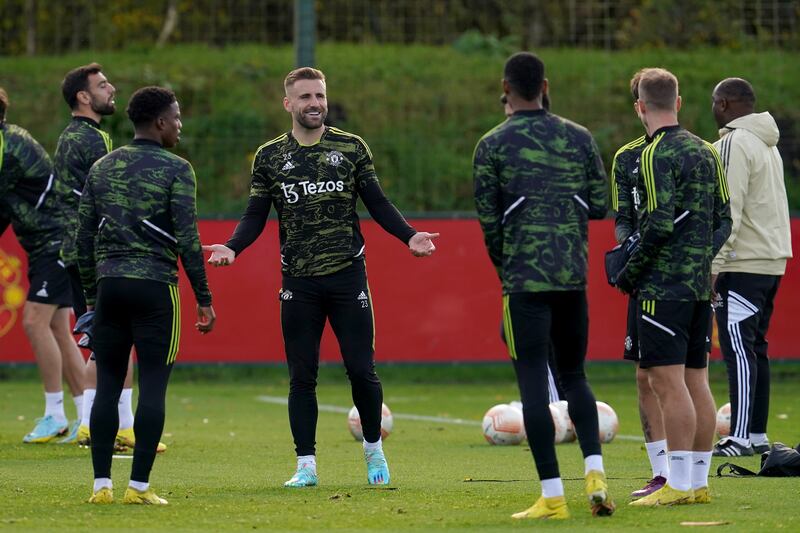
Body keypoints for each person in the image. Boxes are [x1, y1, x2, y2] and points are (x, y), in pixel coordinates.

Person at [203, 67, 438, 488]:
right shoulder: (270, 156)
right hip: (299, 281)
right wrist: (232, 247)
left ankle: (374, 453)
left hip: (348, 277)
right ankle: (306, 466)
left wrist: (410, 236)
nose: (315, 103)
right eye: (306, 97)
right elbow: (255, 215)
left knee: (361, 370)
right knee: (302, 376)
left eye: (320, 96)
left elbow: (377, 202)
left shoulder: (350, 147)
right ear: (288, 104)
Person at [473, 52, 613, 520]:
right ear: (545, 85)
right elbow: (599, 205)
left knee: (534, 384)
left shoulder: (492, 145)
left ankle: (553, 496)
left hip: (524, 283)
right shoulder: (579, 137)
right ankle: (595, 472)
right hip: (572, 278)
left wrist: (508, 267)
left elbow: (489, 223)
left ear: (506, 88)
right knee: (574, 375)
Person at [76, 86, 215, 504]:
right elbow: (188, 240)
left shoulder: (102, 167)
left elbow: (83, 238)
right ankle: (138, 487)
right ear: (159, 122)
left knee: (107, 385)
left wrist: (90, 295)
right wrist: (204, 298)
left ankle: (101, 486)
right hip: (156, 289)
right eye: (176, 117)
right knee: (153, 386)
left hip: (110, 287)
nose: (180, 124)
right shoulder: (178, 169)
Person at [614, 68, 732, 507]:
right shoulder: (707, 152)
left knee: (667, 382)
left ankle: (677, 484)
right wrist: (702, 259)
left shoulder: (652, 155)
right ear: (678, 102)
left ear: (641, 106)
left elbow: (659, 224)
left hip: (660, 285)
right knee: (695, 380)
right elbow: (726, 218)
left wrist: (631, 270)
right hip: (699, 285)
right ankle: (697, 482)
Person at [54, 63, 155, 451]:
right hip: (93, 255)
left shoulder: (81, 136)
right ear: (83, 96)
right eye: (102, 85)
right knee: (110, 340)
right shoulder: (91, 140)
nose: (111, 89)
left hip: (80, 252)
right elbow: (102, 202)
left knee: (107, 341)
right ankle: (105, 428)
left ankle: (106, 428)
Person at [709, 78, 792, 457]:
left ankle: (740, 436)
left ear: (724, 104)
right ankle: (756, 434)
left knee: (739, 349)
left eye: (713, 102)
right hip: (772, 259)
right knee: (756, 348)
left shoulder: (733, 143)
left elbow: (729, 210)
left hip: (744, 261)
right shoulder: (766, 142)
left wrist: (714, 263)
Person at [0, 87, 86, 443]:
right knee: (55, 327)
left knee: (35, 320)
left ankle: (55, 414)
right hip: (45, 243)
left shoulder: (8, 144)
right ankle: (89, 415)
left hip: (57, 240)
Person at [610, 70, 670, 498]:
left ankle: (682, 474)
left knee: (679, 379)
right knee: (645, 377)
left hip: (675, 281)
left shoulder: (690, 153)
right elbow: (624, 221)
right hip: (642, 282)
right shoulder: (626, 159)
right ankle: (663, 471)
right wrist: (627, 255)